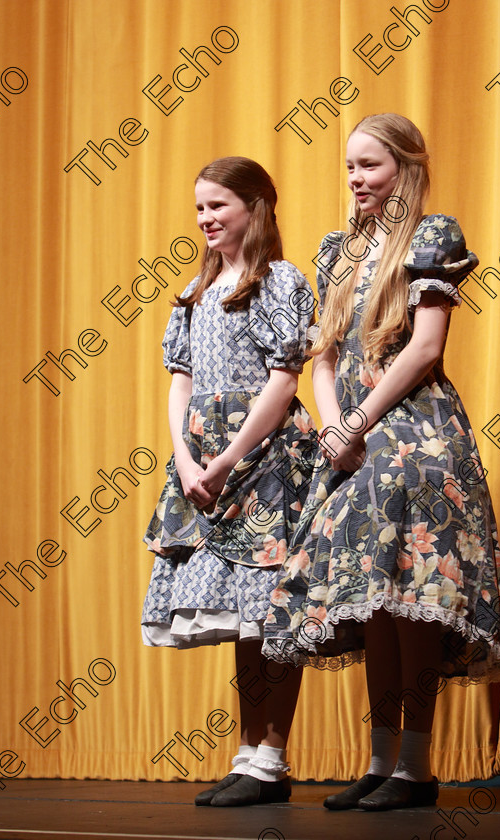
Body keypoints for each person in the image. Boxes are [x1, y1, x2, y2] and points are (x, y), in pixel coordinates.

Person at [262, 113, 500, 812]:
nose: (356, 179)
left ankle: (416, 766)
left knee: (415, 599)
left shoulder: (433, 237)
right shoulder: (334, 250)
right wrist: (332, 427)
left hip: (414, 439)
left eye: (370, 166)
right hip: (351, 439)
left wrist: (358, 419)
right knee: (371, 602)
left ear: (406, 168)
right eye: (349, 167)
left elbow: (426, 348)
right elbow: (325, 354)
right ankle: (379, 763)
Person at [141, 157, 317, 807]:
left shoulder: (279, 282)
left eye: (218, 205)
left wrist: (228, 458)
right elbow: (180, 381)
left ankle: (272, 754)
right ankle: (250, 754)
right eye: (199, 208)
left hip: (265, 463)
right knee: (242, 620)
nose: (206, 219)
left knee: (274, 614)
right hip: (207, 462)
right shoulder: (195, 293)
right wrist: (187, 458)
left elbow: (283, 378)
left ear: (255, 207)